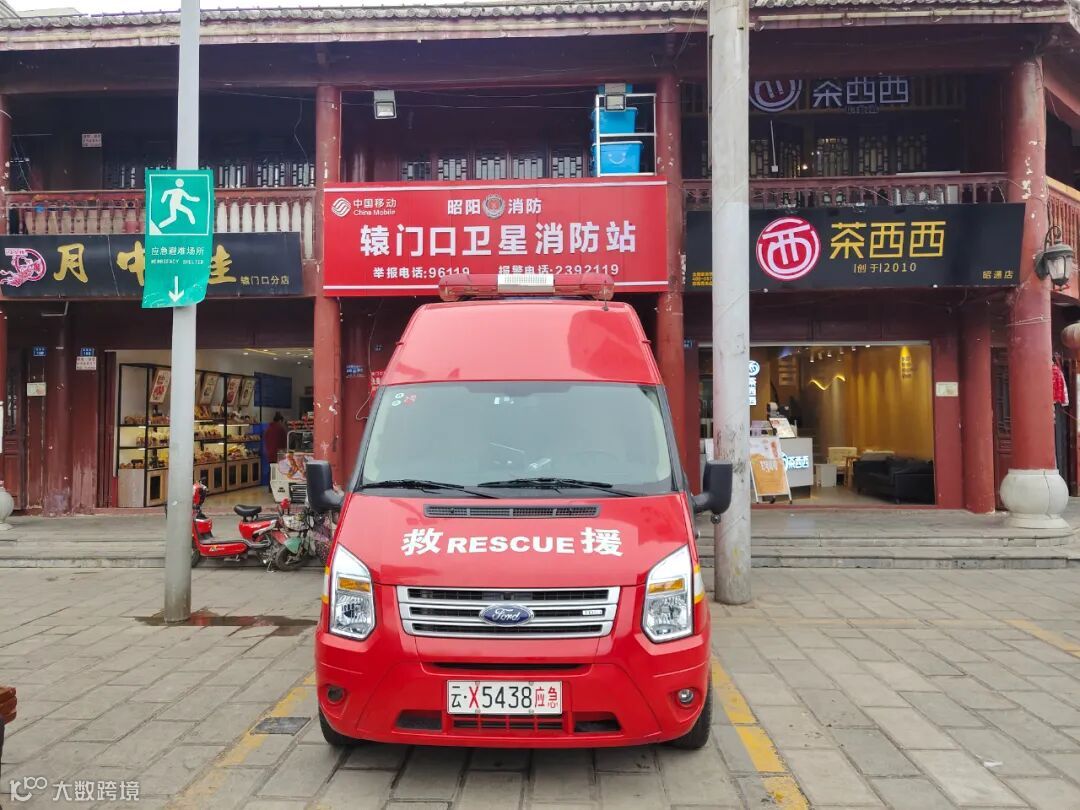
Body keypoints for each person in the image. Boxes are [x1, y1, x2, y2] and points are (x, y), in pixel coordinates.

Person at [264, 413, 287, 493]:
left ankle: (270, 488)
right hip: (279, 453)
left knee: (271, 471)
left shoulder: (268, 429)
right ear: (280, 420)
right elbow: (284, 442)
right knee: (279, 471)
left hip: (270, 453)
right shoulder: (281, 429)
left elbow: (266, 440)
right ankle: (278, 488)